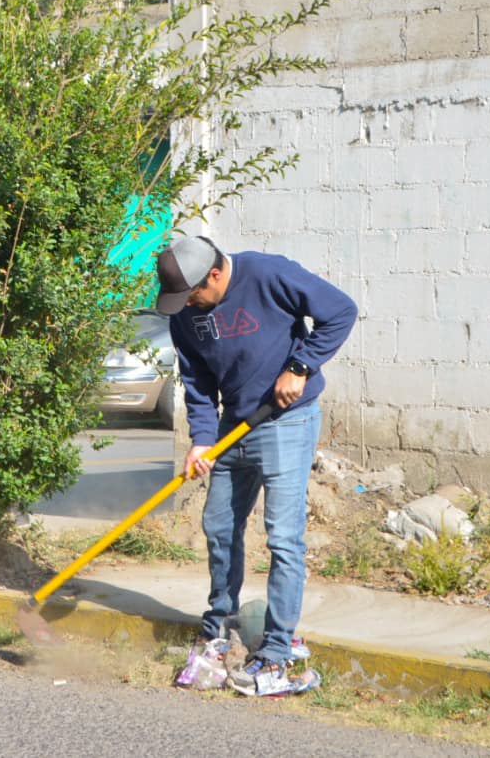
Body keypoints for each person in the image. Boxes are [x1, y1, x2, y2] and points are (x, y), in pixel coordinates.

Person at [156, 234, 357, 696]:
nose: (188, 306)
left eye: (192, 296)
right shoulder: (185, 311)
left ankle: (278, 652)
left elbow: (340, 310)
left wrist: (301, 366)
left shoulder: (269, 273)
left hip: (286, 420)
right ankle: (217, 632)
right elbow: (198, 380)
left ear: (214, 274)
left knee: (283, 539)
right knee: (219, 527)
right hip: (233, 427)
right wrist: (202, 441)